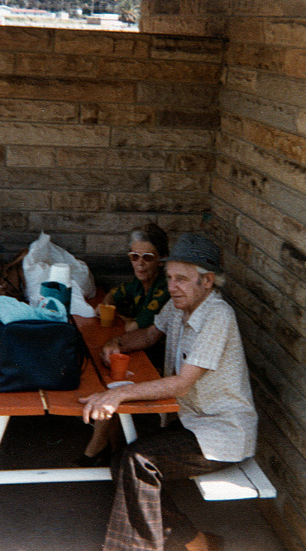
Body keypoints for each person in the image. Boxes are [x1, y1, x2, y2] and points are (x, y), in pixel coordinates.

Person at [80, 233, 258, 551]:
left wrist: (118, 394)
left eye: (182, 279)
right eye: (170, 277)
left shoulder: (218, 316)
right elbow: (149, 335)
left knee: (137, 463)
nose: (172, 285)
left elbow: (182, 383)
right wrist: (116, 343)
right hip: (191, 421)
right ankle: (195, 542)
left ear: (207, 281)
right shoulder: (178, 306)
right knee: (124, 459)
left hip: (222, 432)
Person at [76, 223, 170, 467]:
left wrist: (125, 320)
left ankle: (96, 448)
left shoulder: (163, 289)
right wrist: (111, 309)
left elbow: (138, 329)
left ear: (161, 260)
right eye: (134, 256)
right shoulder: (139, 284)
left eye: (147, 258)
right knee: (101, 361)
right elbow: (113, 295)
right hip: (140, 351)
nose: (140, 263)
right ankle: (115, 448)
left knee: (113, 381)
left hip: (159, 363)